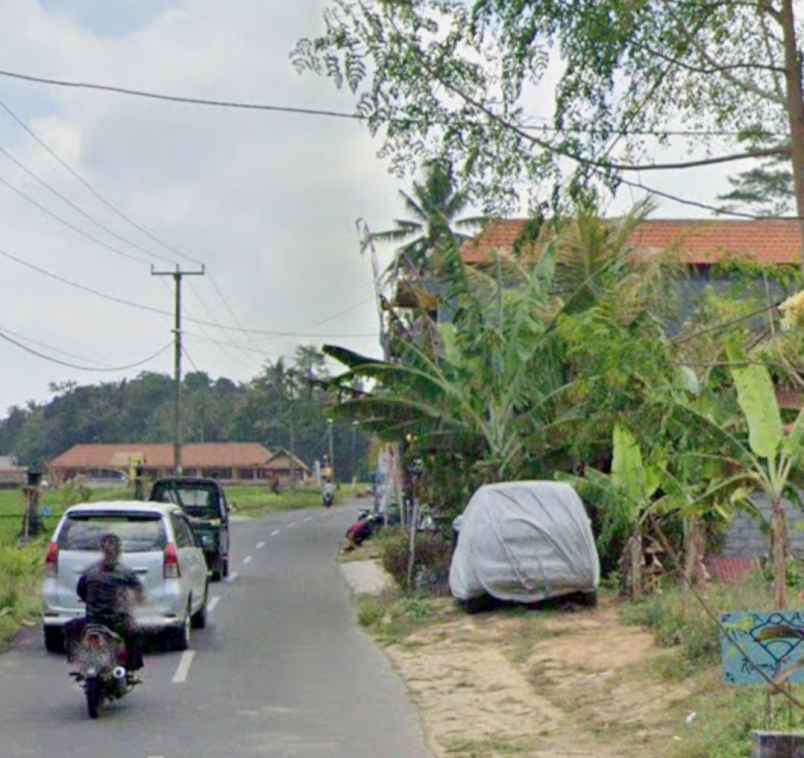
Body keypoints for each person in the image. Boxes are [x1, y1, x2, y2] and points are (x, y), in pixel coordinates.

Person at [69, 533, 146, 673]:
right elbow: (139, 592)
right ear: (119, 550)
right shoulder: (126, 572)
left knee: (70, 627)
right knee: (136, 633)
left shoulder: (89, 570)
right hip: (116, 621)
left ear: (101, 549)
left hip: (92, 620)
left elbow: (81, 591)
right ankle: (131, 669)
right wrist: (138, 602)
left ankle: (76, 660)